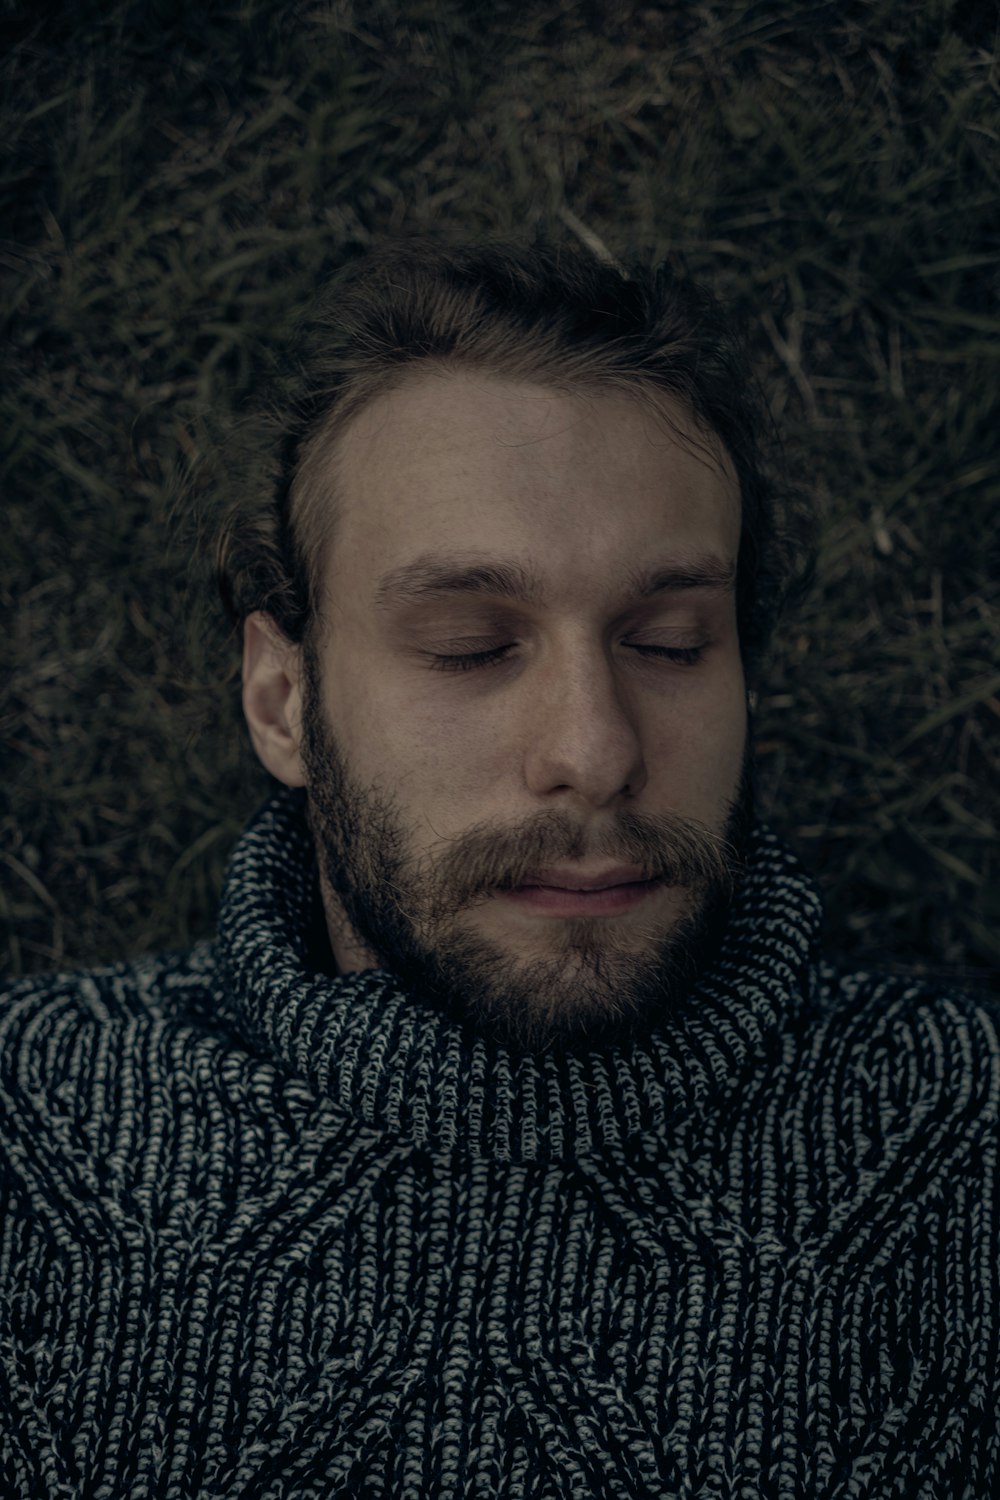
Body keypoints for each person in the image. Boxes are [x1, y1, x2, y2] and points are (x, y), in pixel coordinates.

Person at [1, 237, 996, 1499]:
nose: (594, 751)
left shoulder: (966, 1126)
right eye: (471, 648)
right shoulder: (26, 1124)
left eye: (670, 641)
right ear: (281, 700)